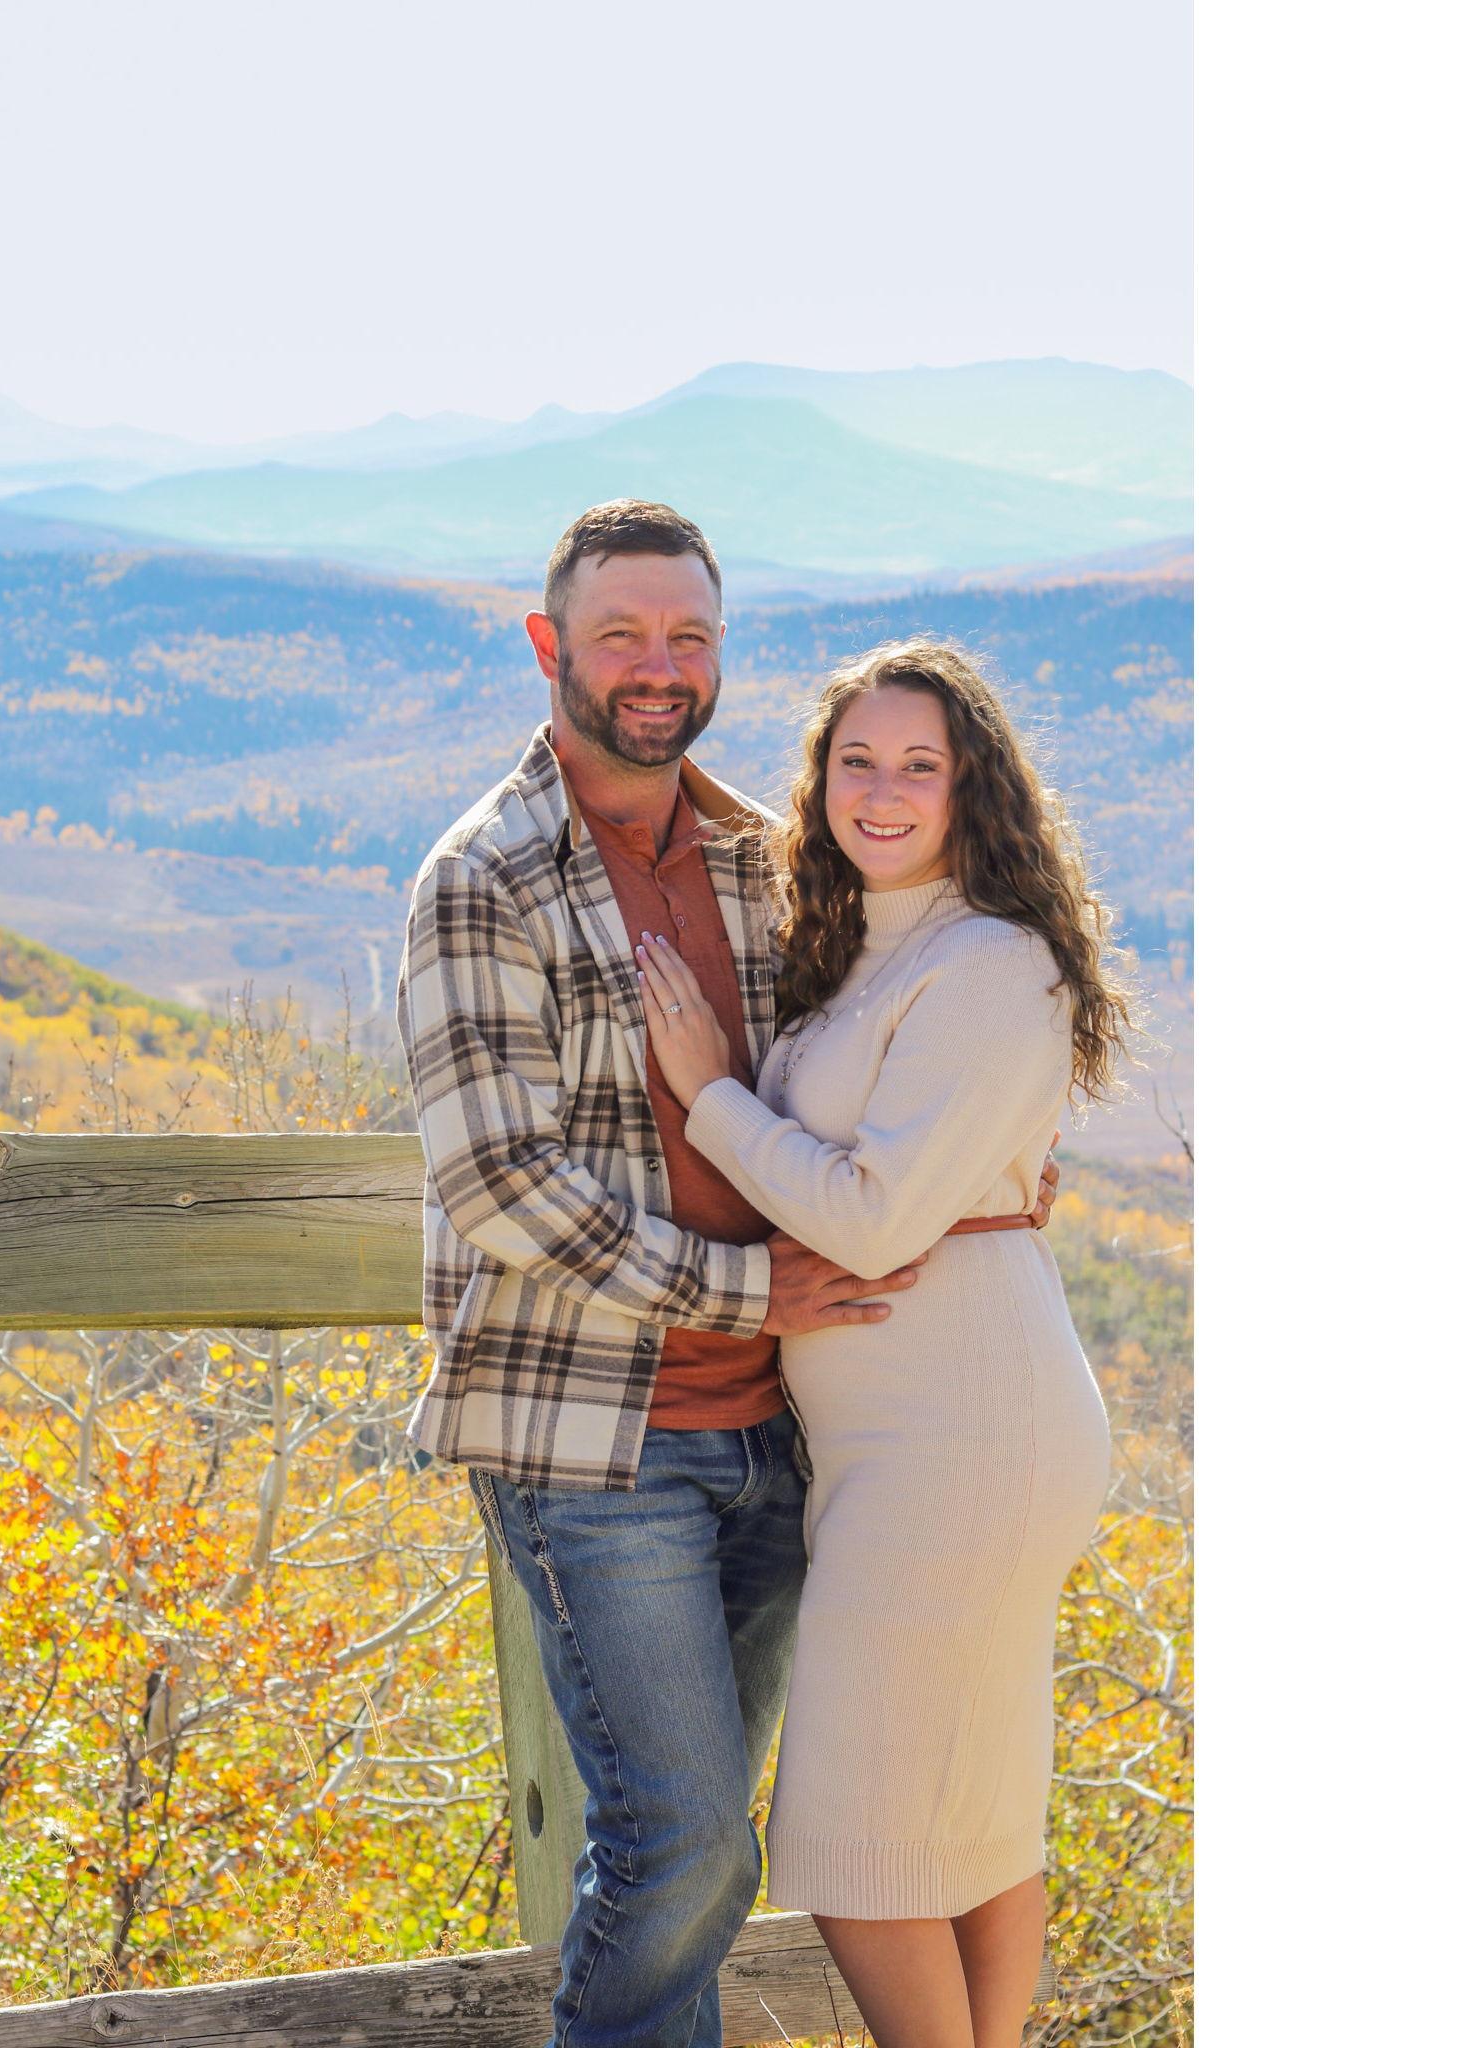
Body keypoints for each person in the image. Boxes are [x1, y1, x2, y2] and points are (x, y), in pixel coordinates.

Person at [395, 502, 1058, 2048]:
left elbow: (915, 1046)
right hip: (598, 1440)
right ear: (549, 645)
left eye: (688, 636)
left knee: (720, 1850)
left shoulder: (769, 857)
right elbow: (501, 1184)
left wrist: (1002, 1157)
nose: (658, 665)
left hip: (784, 1438)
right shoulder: (484, 876)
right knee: (684, 1843)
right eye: (621, 634)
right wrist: (753, 1295)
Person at [636, 638, 1129, 2048]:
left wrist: (712, 1096)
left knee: (856, 1842)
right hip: (911, 1439)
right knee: (970, 1810)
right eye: (856, 760)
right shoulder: (867, 941)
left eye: (922, 764)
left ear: (977, 788)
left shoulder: (990, 961)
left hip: (960, 1437)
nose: (884, 790)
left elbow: (869, 1218)